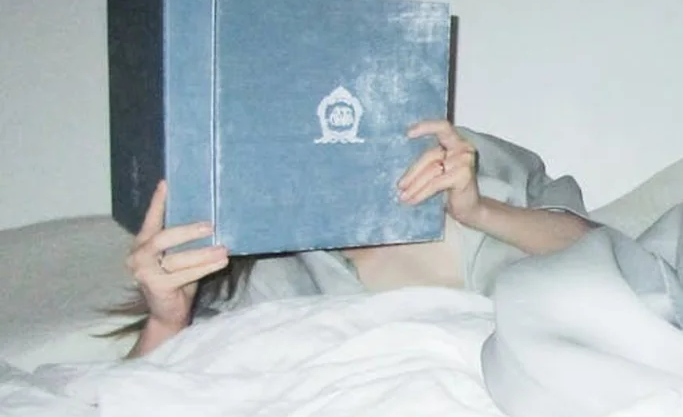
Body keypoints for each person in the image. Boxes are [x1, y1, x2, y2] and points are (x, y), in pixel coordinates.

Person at [109, 120, 595, 358]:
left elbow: (601, 254)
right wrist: (166, 322)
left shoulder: (461, 161)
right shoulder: (257, 271)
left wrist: (478, 210)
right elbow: (134, 413)